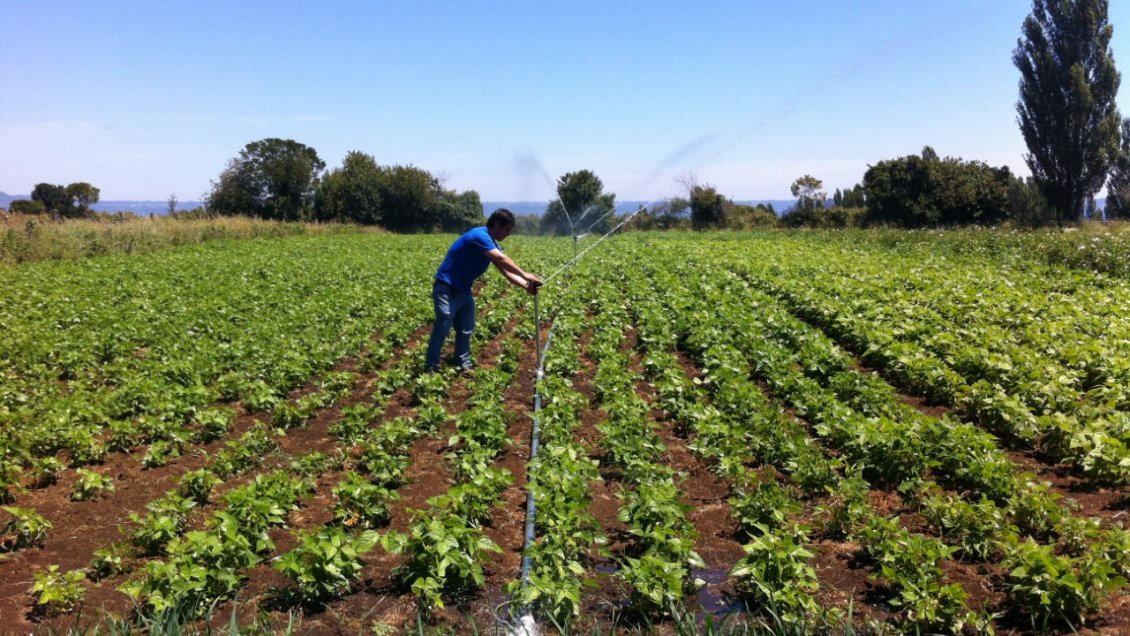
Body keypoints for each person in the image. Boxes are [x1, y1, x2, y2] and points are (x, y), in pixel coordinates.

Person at [425, 209, 542, 372]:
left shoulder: (492, 244)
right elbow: (501, 258)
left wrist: (525, 285)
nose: (509, 234)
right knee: (443, 327)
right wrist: (525, 274)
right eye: (507, 229)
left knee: (466, 329)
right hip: (447, 287)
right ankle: (430, 366)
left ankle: (463, 364)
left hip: (464, 290)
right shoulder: (479, 235)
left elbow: (505, 271)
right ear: (497, 224)